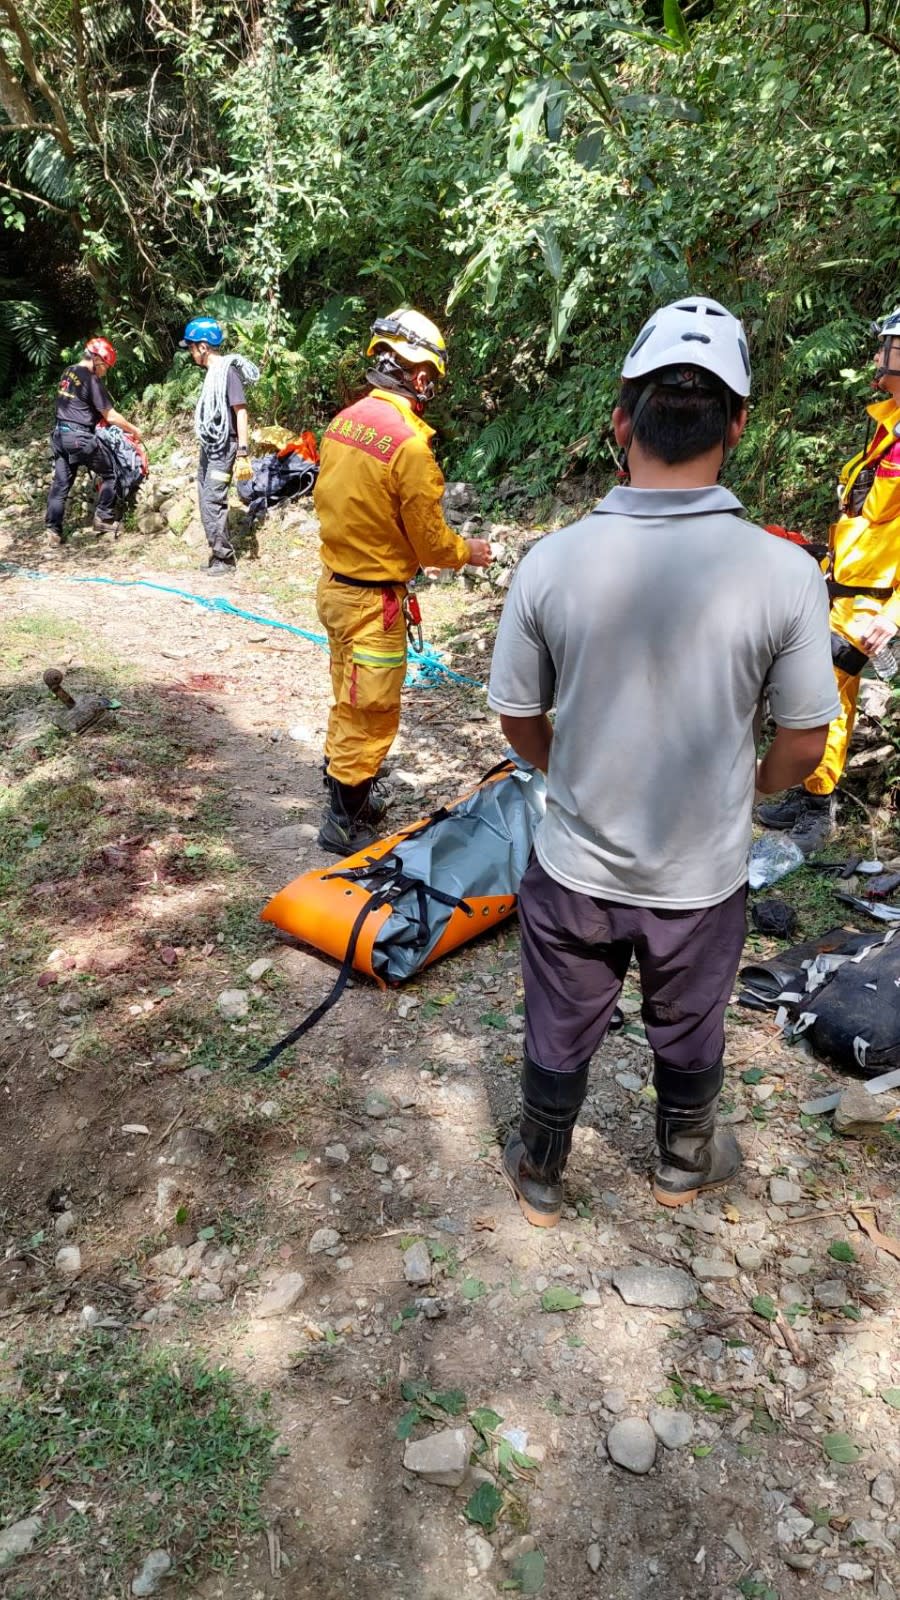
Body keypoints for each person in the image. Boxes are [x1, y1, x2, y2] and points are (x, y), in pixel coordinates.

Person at [487, 296, 840, 1228]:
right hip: (700, 874)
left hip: (576, 868)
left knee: (561, 1009)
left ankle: (542, 1165)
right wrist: (751, 787)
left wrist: (566, 768)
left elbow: (517, 713)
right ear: (738, 425)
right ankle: (684, 1157)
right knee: (688, 1017)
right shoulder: (784, 574)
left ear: (620, 420)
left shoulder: (552, 562)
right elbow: (805, 740)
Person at [313, 308, 492, 855]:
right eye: (432, 376)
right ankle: (344, 819)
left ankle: (351, 791)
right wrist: (469, 552)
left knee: (348, 694)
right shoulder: (410, 448)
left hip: (336, 589)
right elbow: (431, 544)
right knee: (372, 711)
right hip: (373, 603)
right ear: (419, 376)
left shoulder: (344, 421)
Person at [758, 304, 900, 851]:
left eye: (889, 348)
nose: (878, 358)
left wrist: (891, 616)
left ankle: (822, 803)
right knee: (825, 691)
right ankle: (815, 787)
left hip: (875, 604)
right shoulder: (887, 428)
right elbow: (868, 520)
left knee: (825, 687)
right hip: (845, 587)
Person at [179, 316, 259, 575]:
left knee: (213, 499)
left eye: (191, 347)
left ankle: (226, 560)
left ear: (203, 347)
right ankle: (217, 555)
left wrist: (243, 452)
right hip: (211, 445)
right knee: (204, 498)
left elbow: (241, 412)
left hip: (225, 447)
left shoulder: (228, 372)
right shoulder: (213, 373)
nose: (191, 353)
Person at [44, 337, 142, 544]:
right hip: (79, 438)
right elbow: (111, 415)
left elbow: (77, 405)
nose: (106, 370)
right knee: (111, 472)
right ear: (97, 359)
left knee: (61, 485)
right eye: (106, 366)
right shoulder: (90, 379)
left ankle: (52, 531)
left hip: (60, 436)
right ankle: (103, 519)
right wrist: (134, 430)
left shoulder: (68, 371)